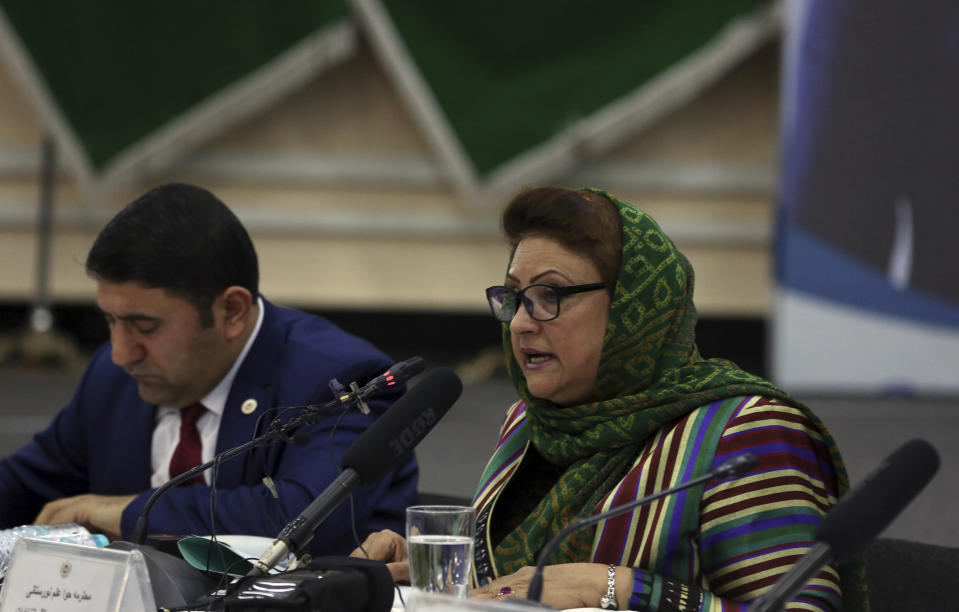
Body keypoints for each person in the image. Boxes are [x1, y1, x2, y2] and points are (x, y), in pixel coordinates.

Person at [354, 187, 866, 611]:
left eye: (549, 295)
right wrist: (442, 578)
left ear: (631, 309)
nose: (524, 321)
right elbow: (521, 582)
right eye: (513, 297)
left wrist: (619, 589)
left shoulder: (745, 431)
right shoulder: (531, 423)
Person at [0, 183, 417, 555]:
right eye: (110, 321)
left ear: (231, 311)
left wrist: (127, 512)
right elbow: (26, 485)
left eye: (145, 326)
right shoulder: (114, 379)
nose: (121, 353)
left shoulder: (342, 379)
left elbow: (300, 520)